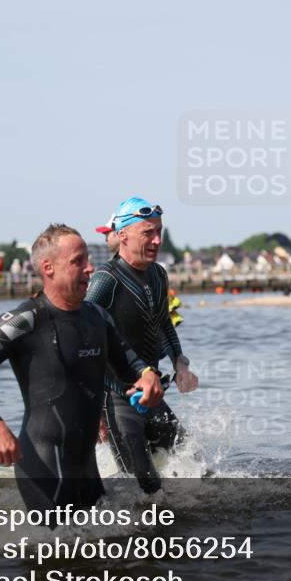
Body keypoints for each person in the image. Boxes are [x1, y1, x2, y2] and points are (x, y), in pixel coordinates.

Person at [0, 224, 163, 514]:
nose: (90, 269)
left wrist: (148, 376)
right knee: (56, 555)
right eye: (78, 261)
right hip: (43, 467)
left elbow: (131, 366)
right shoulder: (23, 320)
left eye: (88, 259)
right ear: (48, 268)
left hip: (86, 467)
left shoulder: (97, 316)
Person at [85, 197, 199, 494]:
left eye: (159, 231)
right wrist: (93, 408)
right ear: (122, 235)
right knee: (143, 489)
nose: (157, 240)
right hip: (116, 398)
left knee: (197, 469)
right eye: (147, 232)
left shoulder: (158, 274)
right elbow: (82, 340)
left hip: (152, 394)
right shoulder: (105, 280)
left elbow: (163, 325)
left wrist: (180, 365)